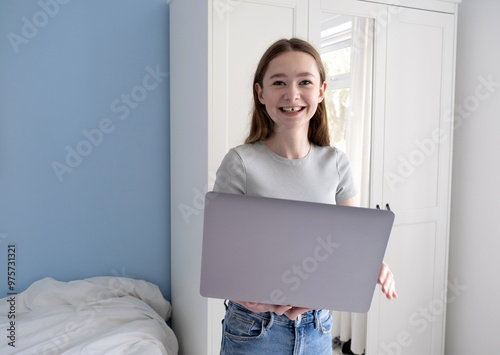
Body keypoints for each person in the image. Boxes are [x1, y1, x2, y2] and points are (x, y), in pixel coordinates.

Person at [213, 37, 397, 355]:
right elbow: (220, 260)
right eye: (279, 82)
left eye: (305, 82)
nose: (292, 94)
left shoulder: (337, 163)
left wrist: (372, 265)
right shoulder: (240, 162)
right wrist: (244, 294)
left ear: (322, 91)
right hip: (255, 329)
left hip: (317, 327)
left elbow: (346, 248)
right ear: (261, 93)